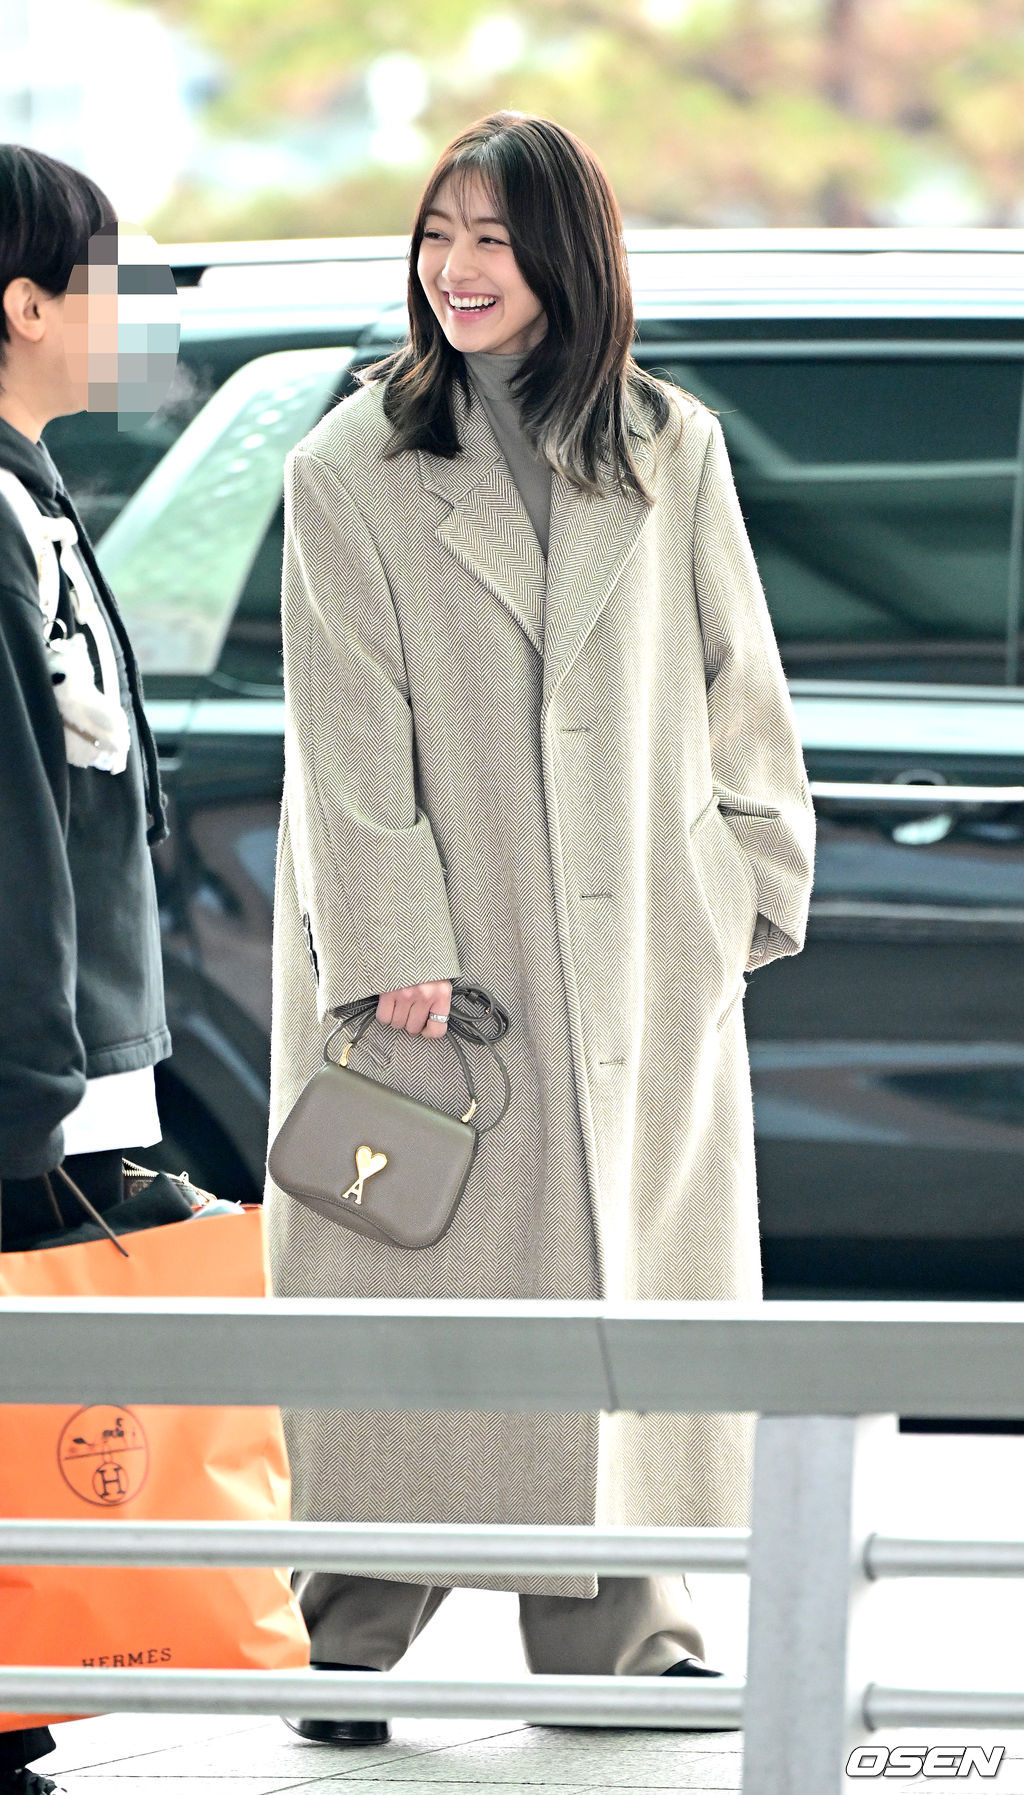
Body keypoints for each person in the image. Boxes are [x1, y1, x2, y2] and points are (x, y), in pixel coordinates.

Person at [265, 110, 816, 1743]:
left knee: (624, 1284)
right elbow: (341, 733)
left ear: (567, 255)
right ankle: (349, 1631)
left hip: (640, 948)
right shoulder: (351, 465)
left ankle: (622, 1639)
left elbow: (739, 680)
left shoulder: (668, 443)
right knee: (414, 1284)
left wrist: (739, 881)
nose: (458, 268)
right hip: (452, 967)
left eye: (493, 239)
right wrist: (392, 942)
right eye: (438, 236)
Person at [0, 146, 173, 1795]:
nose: (129, 315)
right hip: (21, 1055)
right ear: (26, 305)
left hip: (55, 1046)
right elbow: (14, 829)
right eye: (108, 283)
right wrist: (38, 1080)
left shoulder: (34, 493)